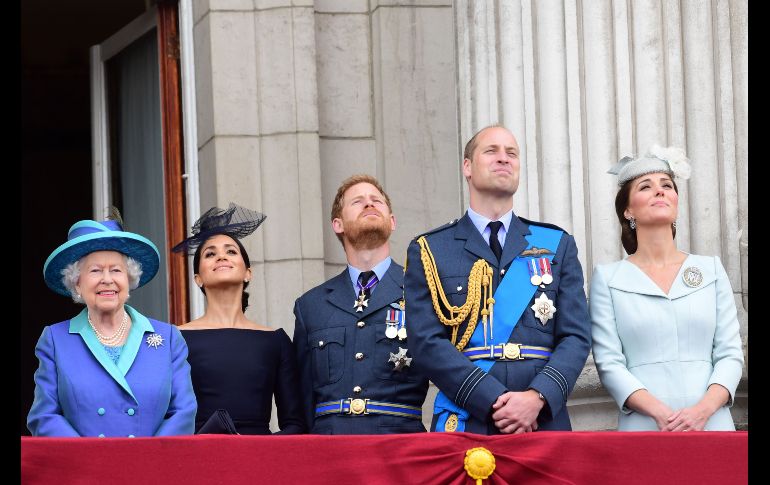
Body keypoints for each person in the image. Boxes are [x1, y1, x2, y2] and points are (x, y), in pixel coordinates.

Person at [404, 125, 591, 434]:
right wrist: (493, 398)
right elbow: (426, 342)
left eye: (512, 153)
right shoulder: (431, 249)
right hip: (469, 416)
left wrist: (537, 397)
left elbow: (576, 336)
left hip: (541, 419)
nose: (504, 159)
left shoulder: (557, 243)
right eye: (491, 151)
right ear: (467, 166)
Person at [589, 145, 744, 431]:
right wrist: (662, 414)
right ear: (628, 210)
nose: (659, 191)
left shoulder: (710, 269)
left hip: (711, 423)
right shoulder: (608, 278)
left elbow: (730, 354)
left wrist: (702, 411)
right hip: (646, 424)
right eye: (645, 187)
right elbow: (609, 363)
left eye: (667, 185)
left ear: (676, 202)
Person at [28, 214, 197, 437]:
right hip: (84, 468)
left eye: (116, 270)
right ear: (77, 283)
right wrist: (91, 460)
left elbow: (183, 413)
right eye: (95, 270)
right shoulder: (55, 339)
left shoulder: (168, 337)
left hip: (150, 466)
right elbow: (44, 417)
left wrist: (149, 458)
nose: (107, 279)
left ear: (129, 280)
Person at [293, 174, 429, 434]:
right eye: (358, 201)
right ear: (338, 224)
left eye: (376, 200)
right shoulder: (311, 305)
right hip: (331, 451)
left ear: (392, 221)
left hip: (400, 447)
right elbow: (302, 399)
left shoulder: (422, 292)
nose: (369, 204)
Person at [172, 203, 305, 435]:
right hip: (197, 459)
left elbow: (295, 423)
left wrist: (259, 452)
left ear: (248, 273)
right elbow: (167, 415)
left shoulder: (276, 341)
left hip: (259, 462)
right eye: (210, 253)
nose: (221, 256)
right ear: (198, 278)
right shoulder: (175, 338)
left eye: (231, 251)